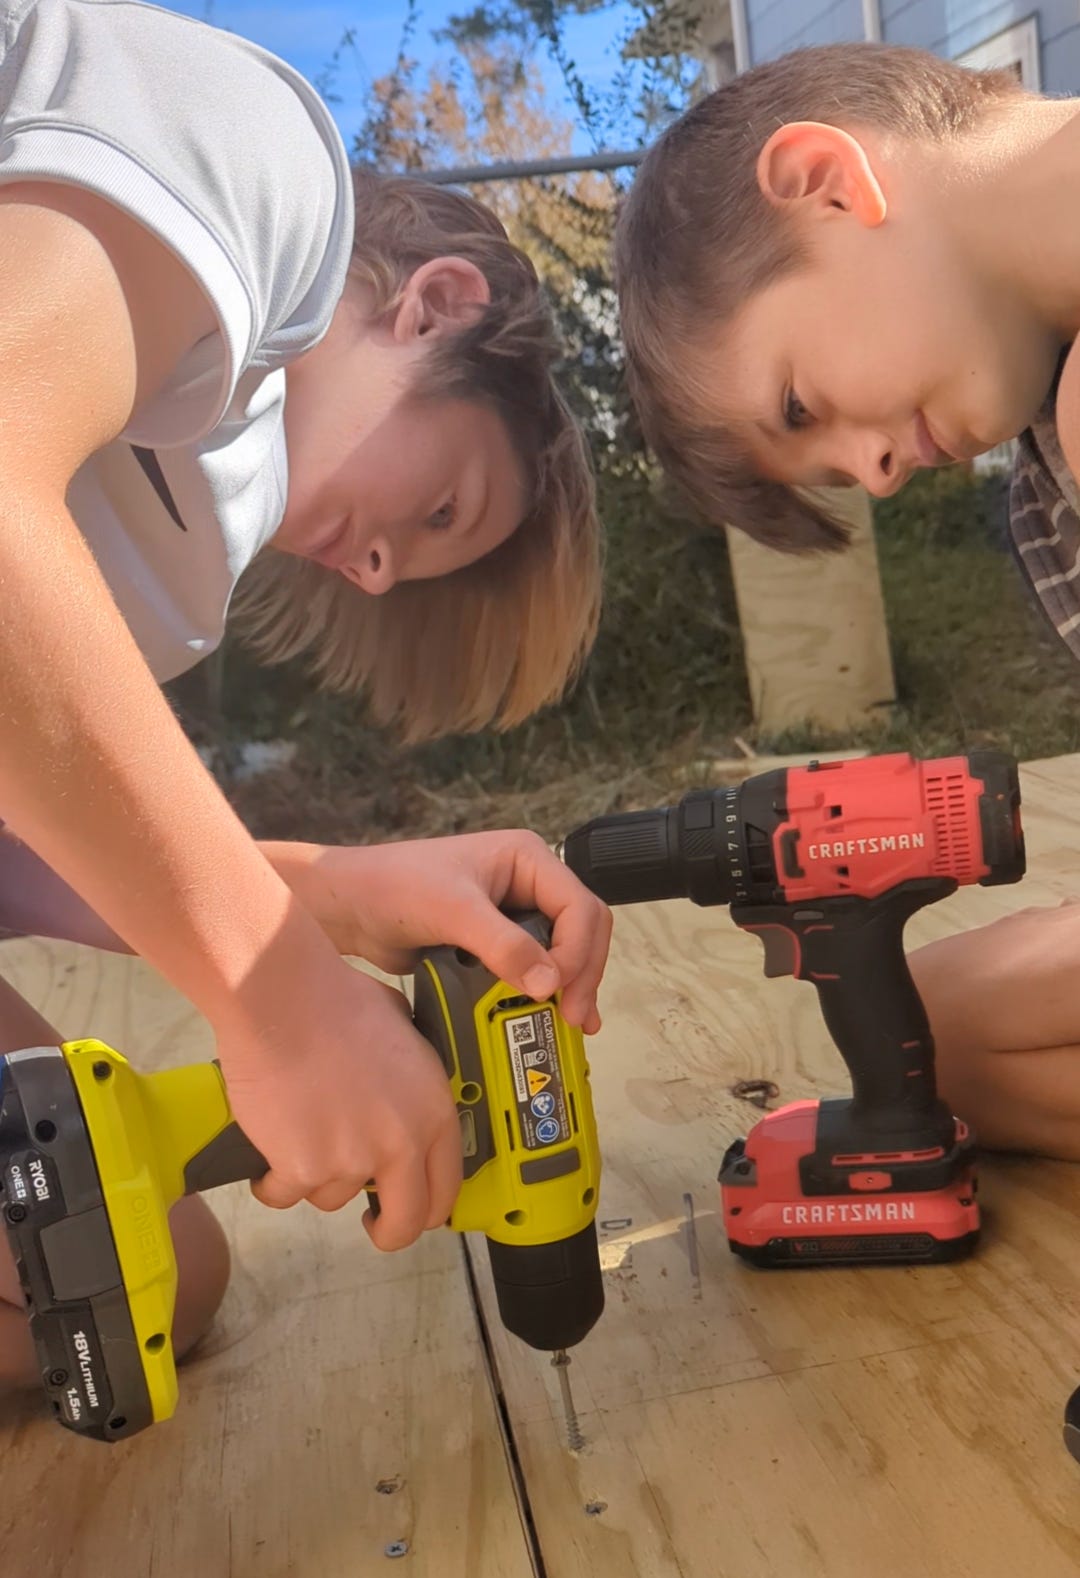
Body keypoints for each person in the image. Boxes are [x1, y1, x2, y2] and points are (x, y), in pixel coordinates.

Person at [0, 0, 611, 1388]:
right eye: (446, 504)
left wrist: (321, 895)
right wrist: (270, 984)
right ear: (436, 301)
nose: (384, 573)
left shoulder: (163, 570)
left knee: (118, 1276)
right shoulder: (265, 160)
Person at [613, 41, 1080, 1160]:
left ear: (825, 180)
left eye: (799, 402)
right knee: (946, 1035)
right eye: (830, 467)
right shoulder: (1044, 494)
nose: (874, 473)